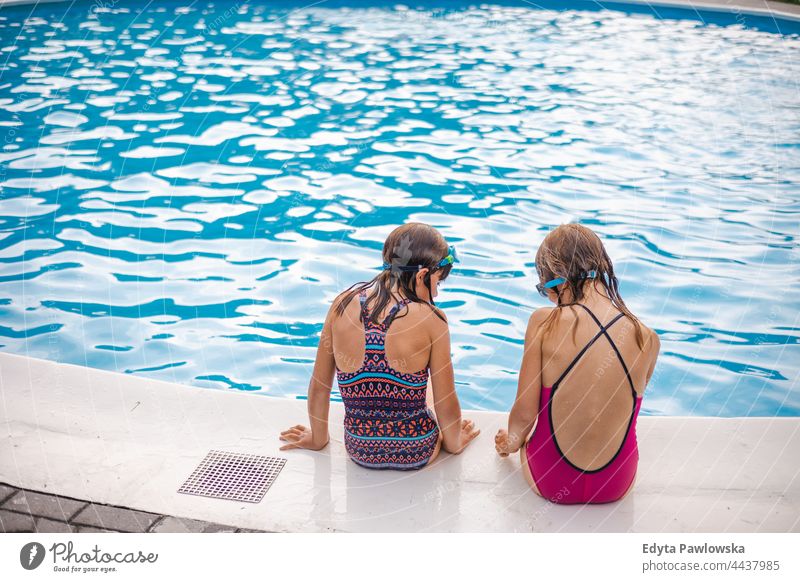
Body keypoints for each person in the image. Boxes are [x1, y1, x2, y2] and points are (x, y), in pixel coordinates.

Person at [280, 222, 480, 469]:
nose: (436, 294)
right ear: (421, 276)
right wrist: (454, 442)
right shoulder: (433, 319)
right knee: (426, 382)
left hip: (359, 449)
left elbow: (320, 386)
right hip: (416, 450)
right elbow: (445, 400)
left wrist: (318, 438)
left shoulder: (341, 304)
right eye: (437, 283)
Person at [495, 223, 660, 503]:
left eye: (543, 287)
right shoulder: (647, 337)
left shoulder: (544, 323)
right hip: (616, 483)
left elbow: (524, 415)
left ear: (558, 280)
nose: (547, 298)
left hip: (552, 478)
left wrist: (509, 444)